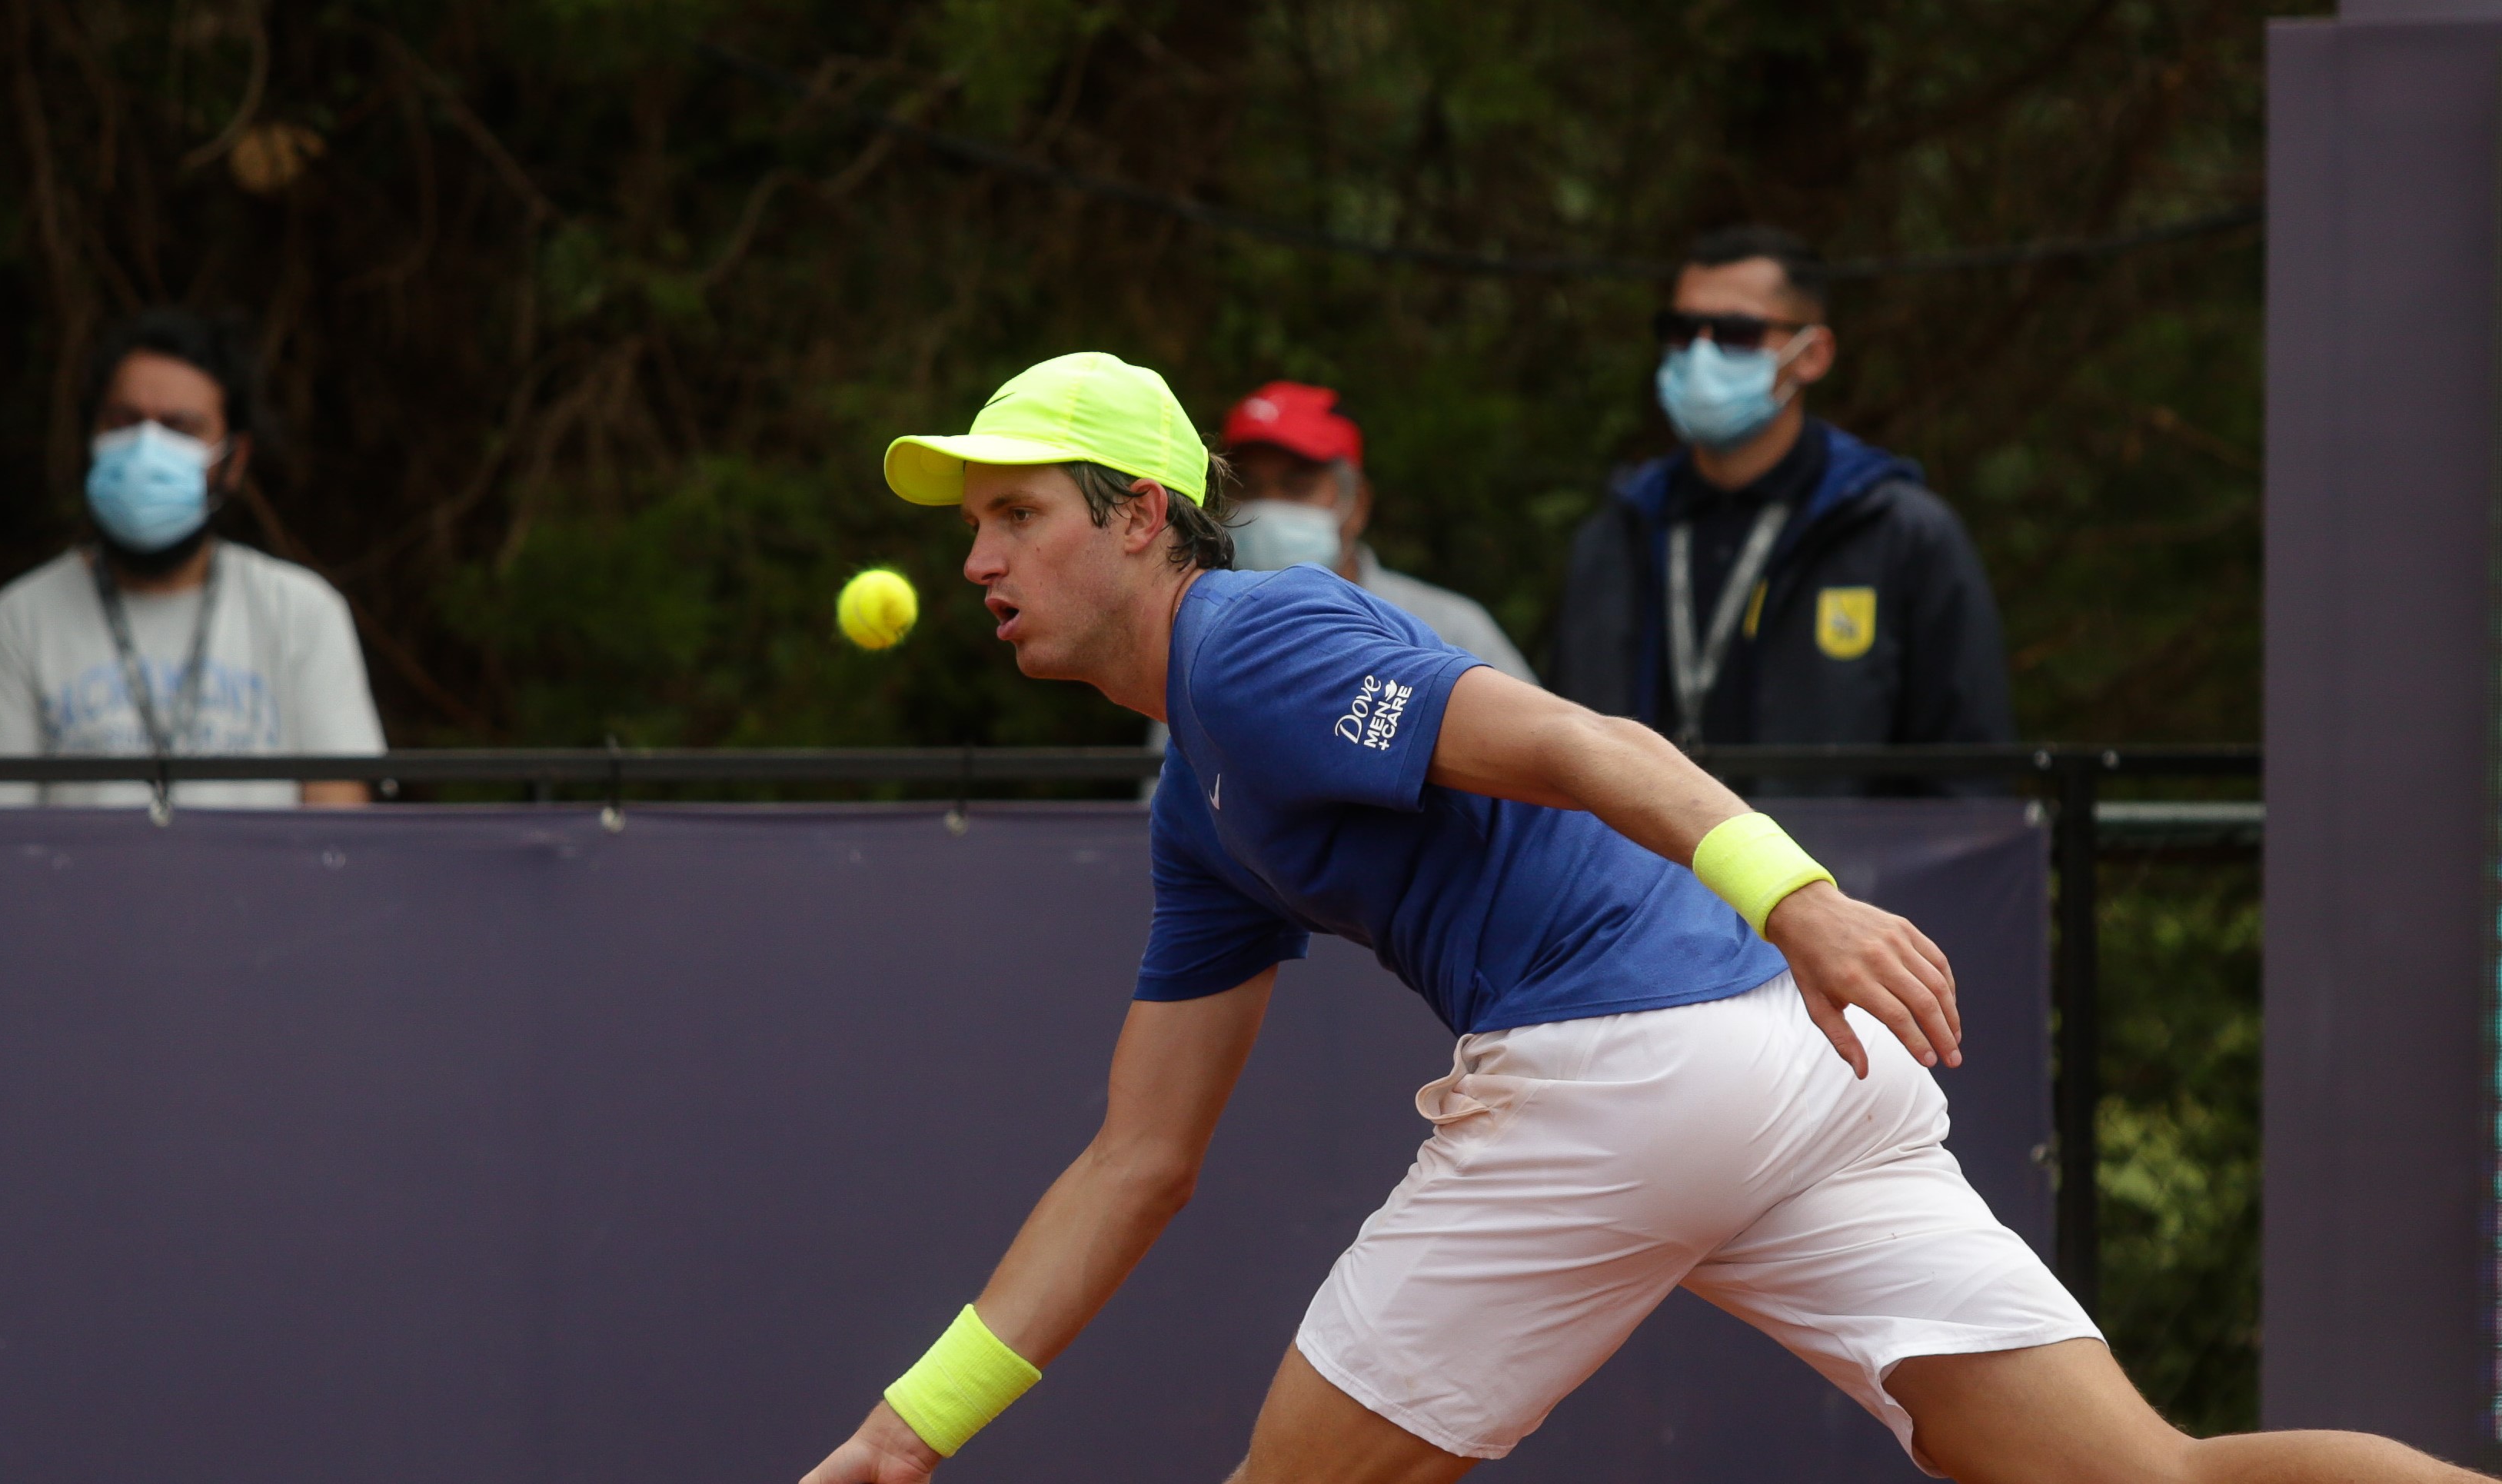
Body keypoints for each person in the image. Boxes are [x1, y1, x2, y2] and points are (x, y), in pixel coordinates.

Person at [804, 351, 2482, 1483]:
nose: (977, 562)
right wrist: (907, 1429)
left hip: (1629, 1065)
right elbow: (1139, 1158)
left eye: (1015, 514)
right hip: (1797, 1072)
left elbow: (1578, 741)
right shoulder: (1202, 798)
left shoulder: (1247, 642)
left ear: (1137, 517)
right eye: (971, 527)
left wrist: (1797, 894)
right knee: (2144, 1476)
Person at [1551, 226, 2012, 778]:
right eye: (1680, 331)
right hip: (1645, 836)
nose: (1700, 355)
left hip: (1827, 840)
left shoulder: (1897, 531)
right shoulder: (1618, 532)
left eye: (1737, 333)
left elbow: (1968, 776)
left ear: (1811, 354)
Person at [0, 308, 383, 809]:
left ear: (233, 460)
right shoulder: (18, 622)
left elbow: (337, 825)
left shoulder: (301, 613)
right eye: (124, 421)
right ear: (92, 435)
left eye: (180, 428)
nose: (146, 448)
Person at [1222, 381, 1533, 682]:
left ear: (1357, 503)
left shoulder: (1449, 633)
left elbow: (1540, 720)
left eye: (1298, 487)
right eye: (1247, 487)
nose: (1268, 506)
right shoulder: (1207, 635)